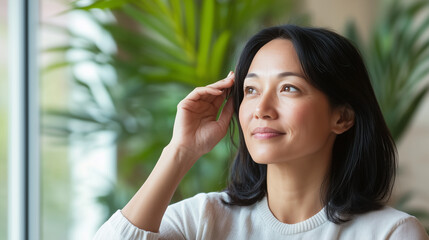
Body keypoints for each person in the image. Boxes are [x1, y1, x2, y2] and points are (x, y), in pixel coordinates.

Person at [93, 25, 429, 239]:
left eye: (288, 89)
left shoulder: (390, 233)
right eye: (251, 90)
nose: (261, 109)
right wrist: (180, 152)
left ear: (342, 117)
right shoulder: (203, 220)